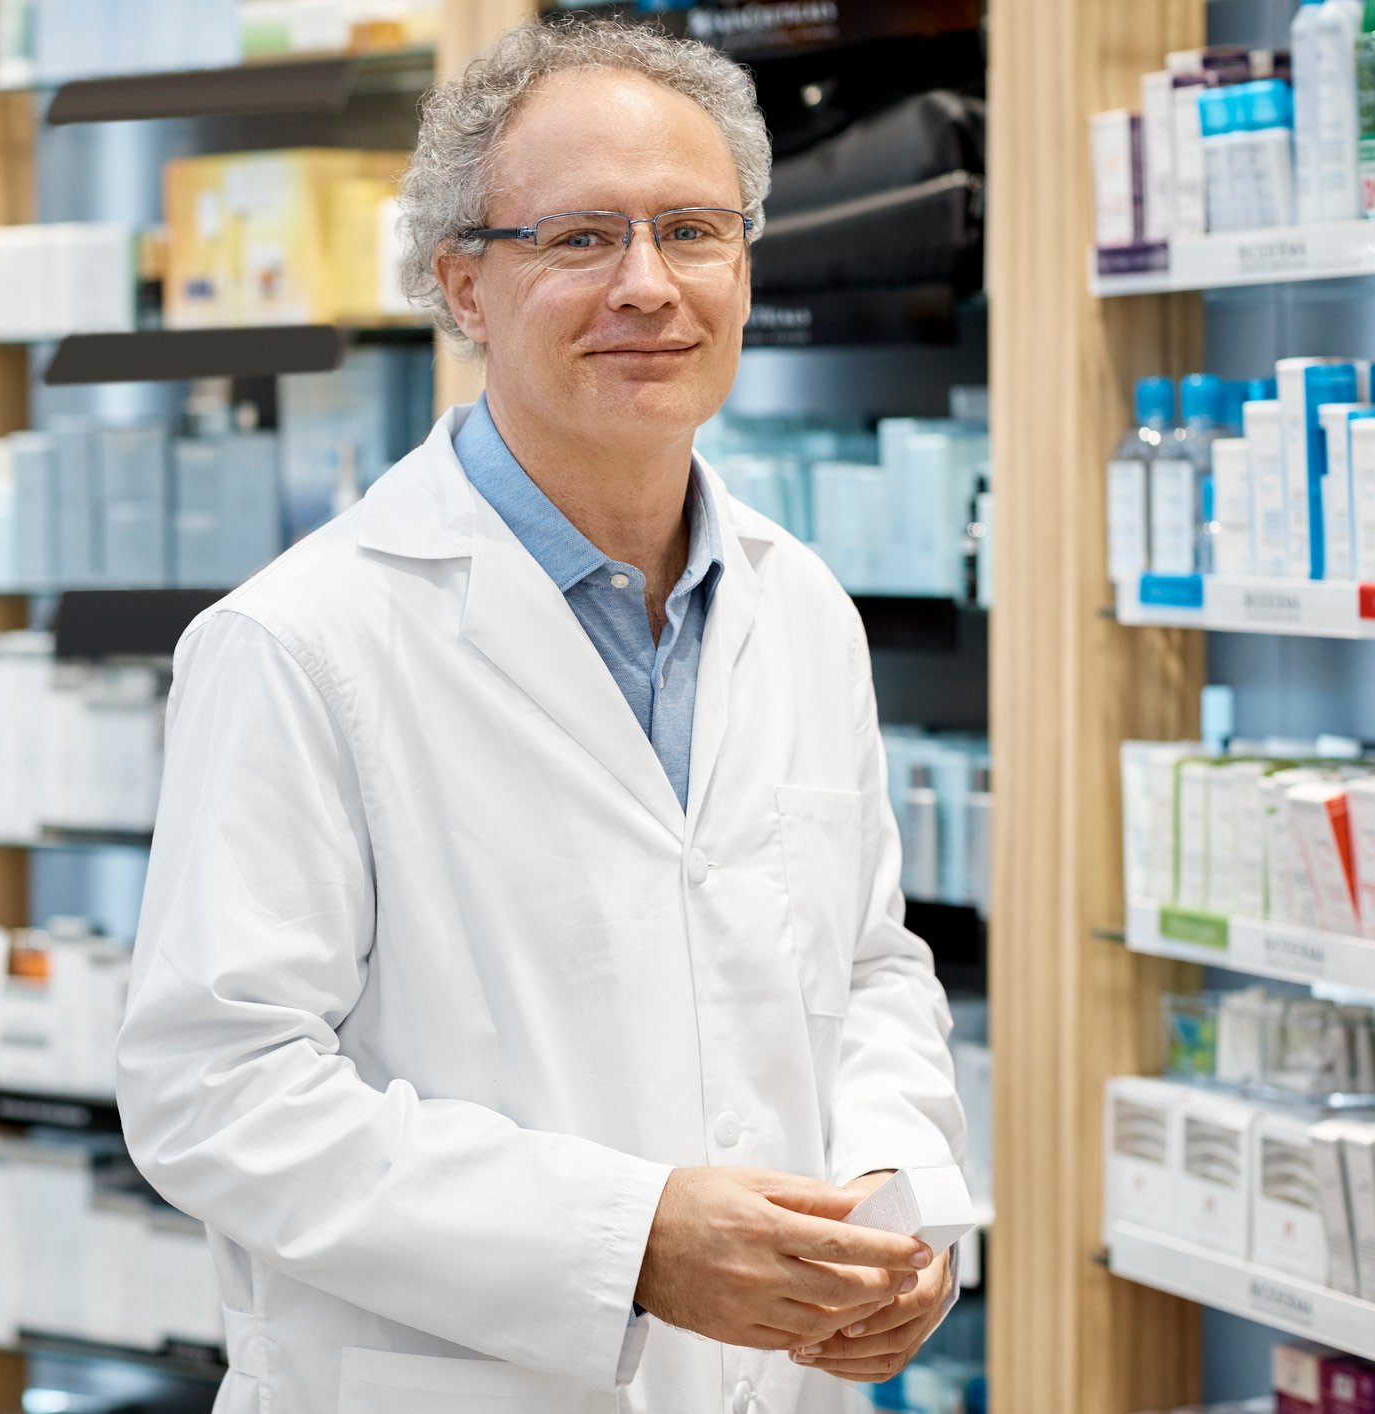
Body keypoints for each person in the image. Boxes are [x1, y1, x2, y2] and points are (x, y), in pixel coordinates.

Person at [116, 17, 966, 1414]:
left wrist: (892, 1203)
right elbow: (218, 1089)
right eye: (578, 239)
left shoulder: (799, 603)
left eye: (692, 230)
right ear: (462, 284)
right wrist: (626, 1240)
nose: (648, 284)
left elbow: (868, 962)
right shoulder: (300, 638)